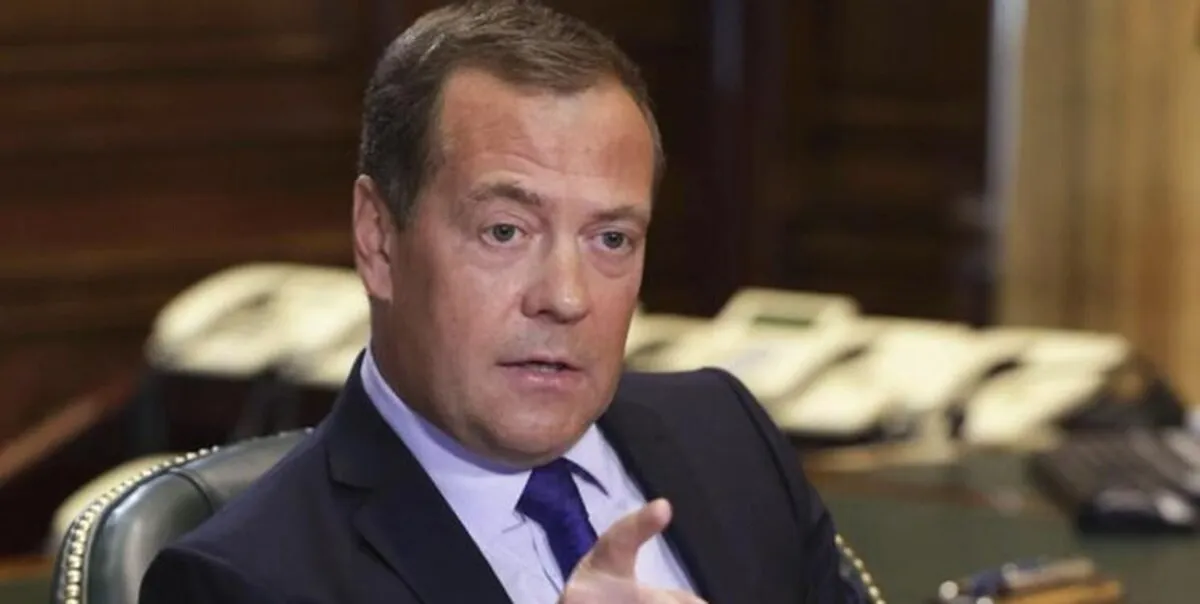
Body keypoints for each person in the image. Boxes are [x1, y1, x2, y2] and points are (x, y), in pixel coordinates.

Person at [139, 1, 865, 602]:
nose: (566, 298)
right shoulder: (243, 582)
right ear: (378, 241)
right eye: (505, 231)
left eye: (611, 239)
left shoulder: (728, 437)